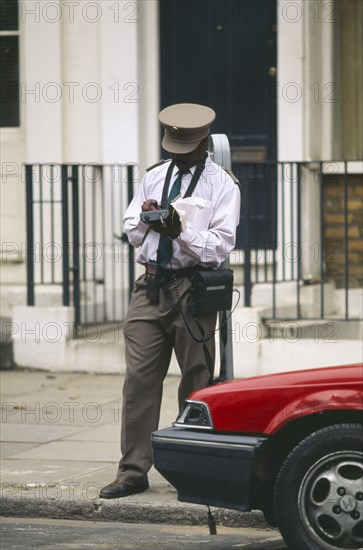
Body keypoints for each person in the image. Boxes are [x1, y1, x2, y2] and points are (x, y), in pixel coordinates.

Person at [99, 103, 241, 499]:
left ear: (204, 143)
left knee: (196, 384)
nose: (178, 154)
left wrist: (180, 231)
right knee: (140, 381)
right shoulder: (155, 176)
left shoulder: (222, 184)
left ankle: (194, 470)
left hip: (192, 290)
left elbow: (220, 246)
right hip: (150, 286)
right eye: (173, 146)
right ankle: (132, 471)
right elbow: (129, 227)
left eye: (186, 148)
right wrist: (147, 220)